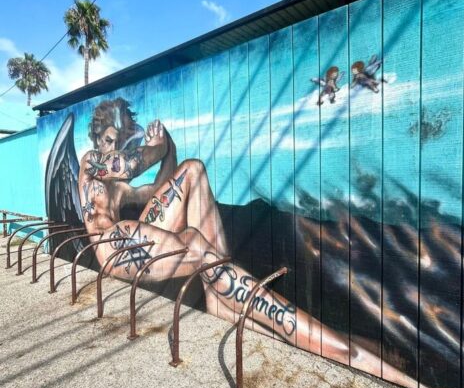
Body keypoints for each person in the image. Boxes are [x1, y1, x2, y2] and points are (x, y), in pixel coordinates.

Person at [76, 97, 366, 360]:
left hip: (130, 235)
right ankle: (301, 331)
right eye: (111, 139)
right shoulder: (90, 162)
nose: (115, 146)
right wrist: (156, 147)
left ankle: (218, 299)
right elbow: (128, 166)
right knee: (198, 249)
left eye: (122, 138)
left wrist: (170, 150)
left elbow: (156, 189)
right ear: (98, 139)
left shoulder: (120, 189)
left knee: (192, 169)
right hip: (110, 247)